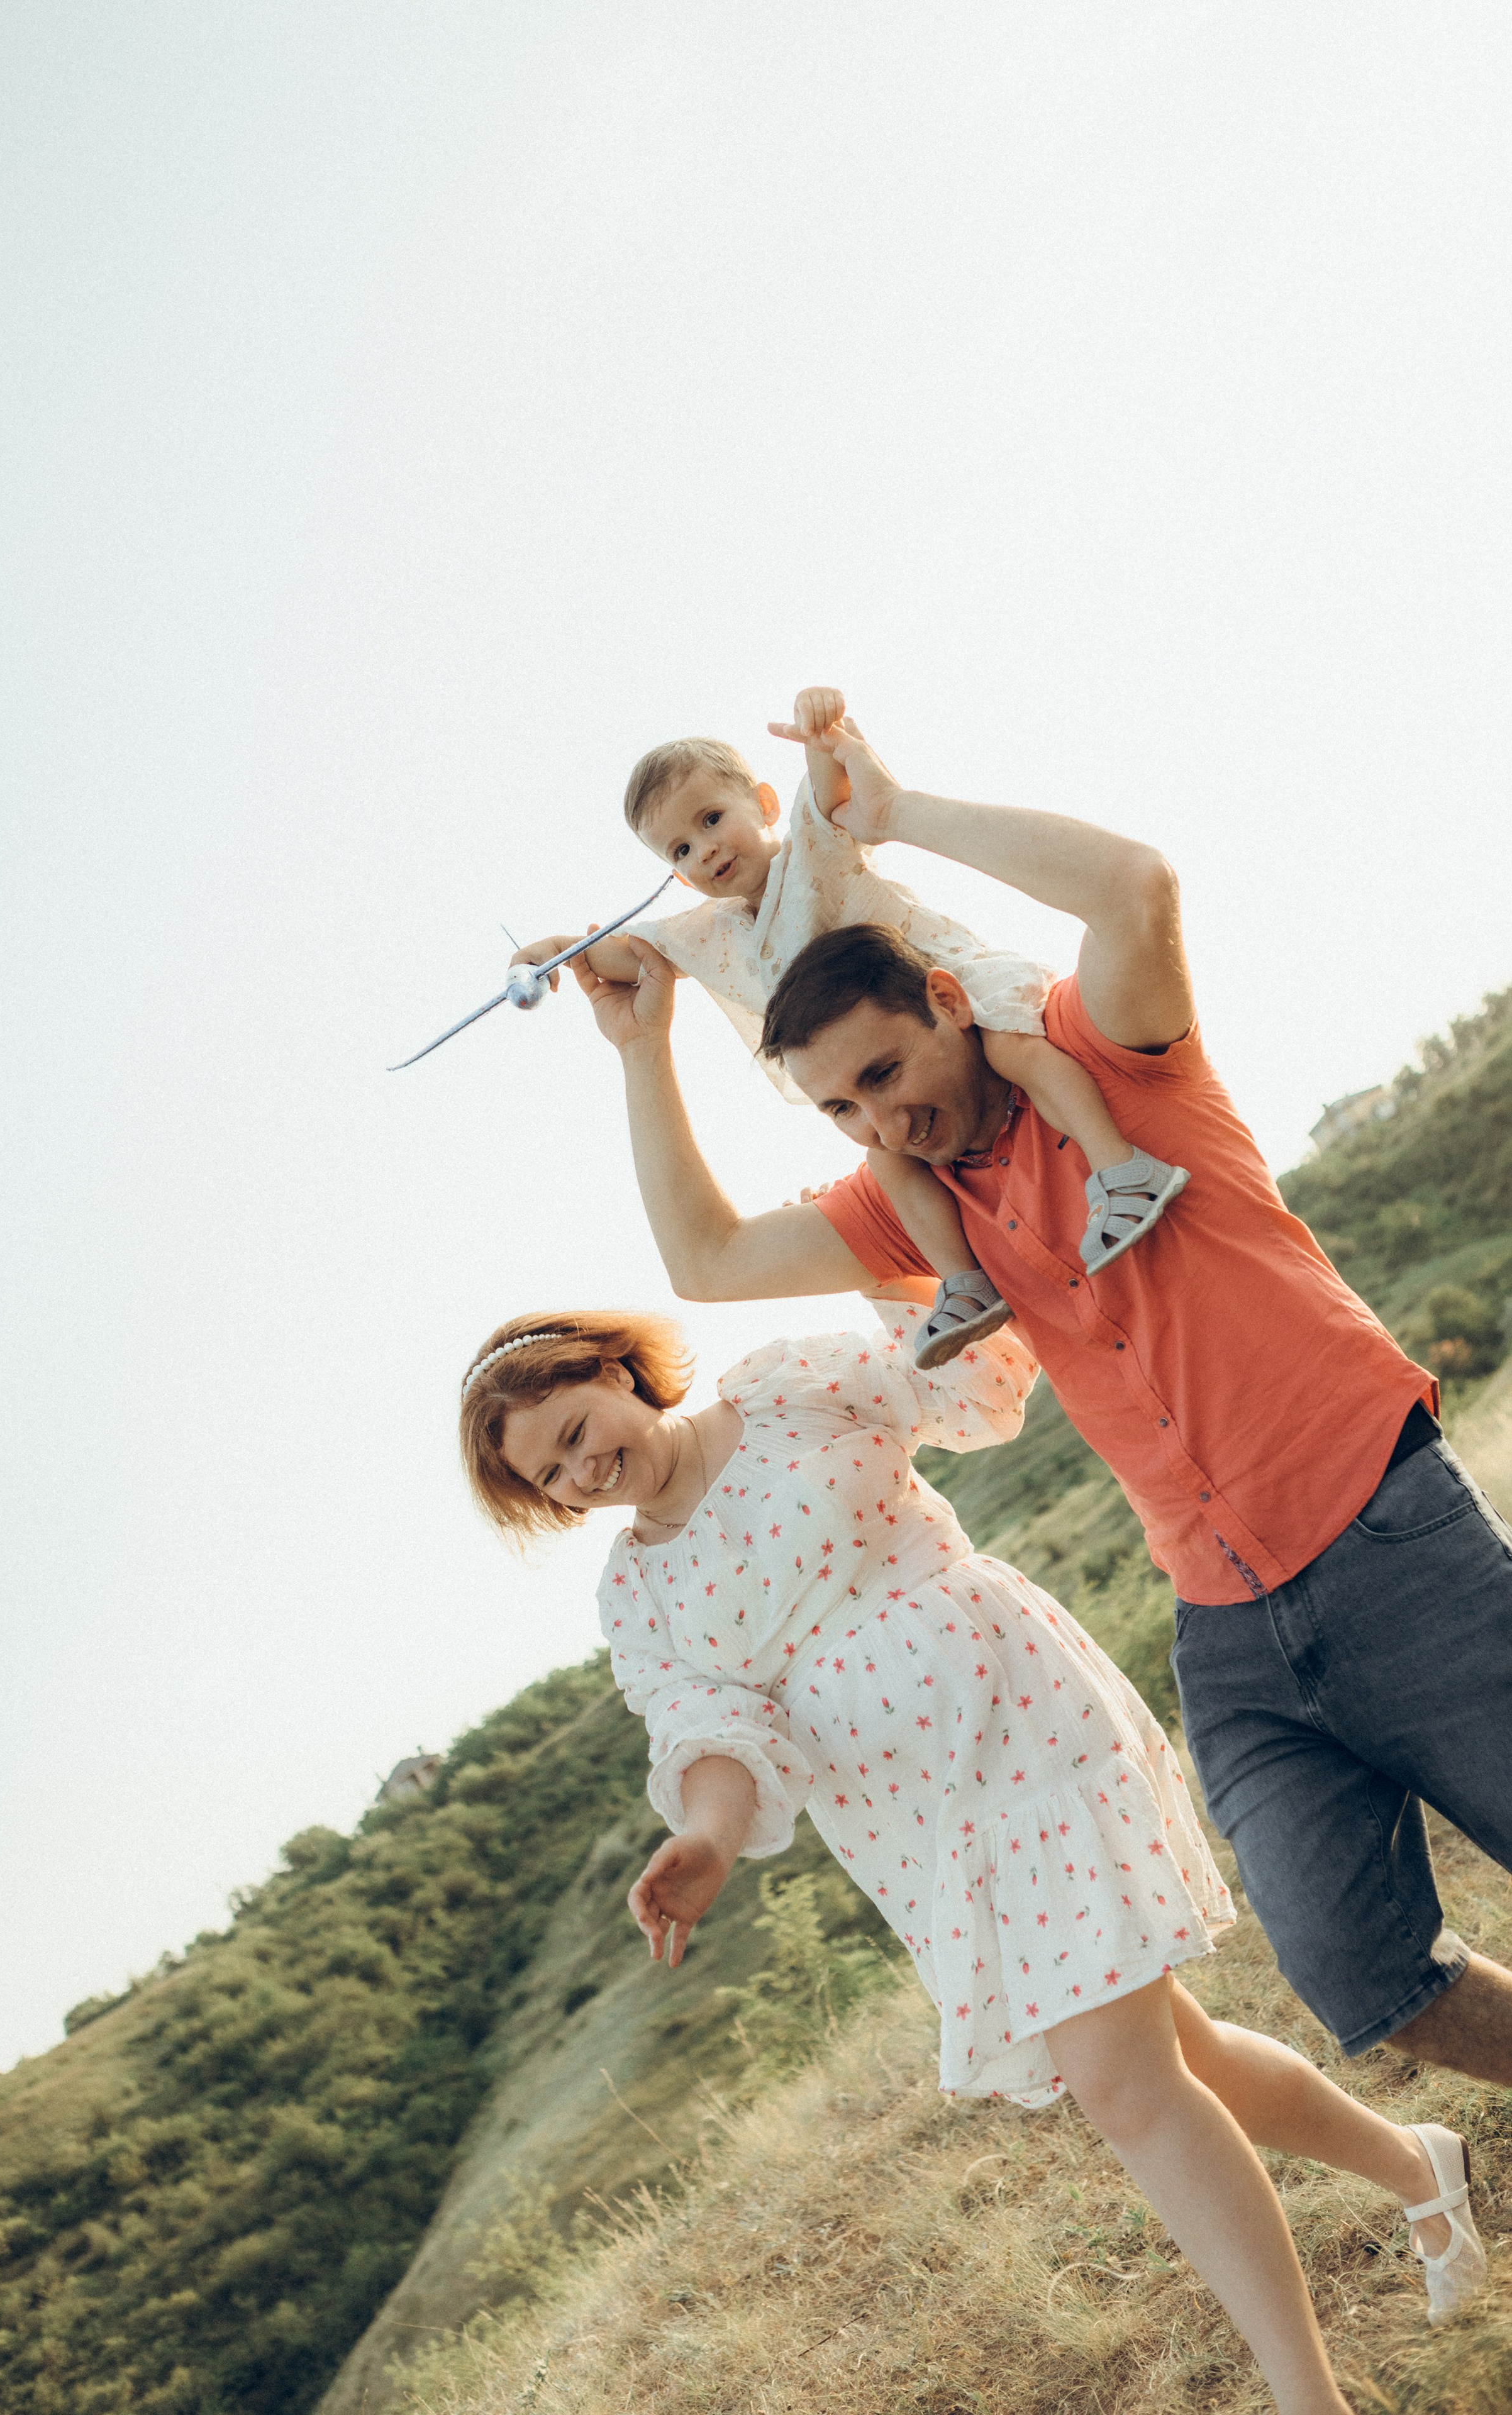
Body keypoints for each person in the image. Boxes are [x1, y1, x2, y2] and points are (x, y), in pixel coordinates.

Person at [566, 713, 1512, 2109]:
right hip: (1228, 1629)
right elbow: (704, 1263)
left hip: (1382, 1530)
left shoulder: (1113, 1068)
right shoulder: (917, 1202)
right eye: (838, 1109)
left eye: (883, 1076)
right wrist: (639, 1046)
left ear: (950, 1003)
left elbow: (1134, 887)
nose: (877, 1124)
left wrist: (888, 808)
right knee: (1358, 1978)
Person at [457, 1306, 1485, 2412]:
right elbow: (708, 1727)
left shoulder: (786, 1388)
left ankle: (1308, 2401)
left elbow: (962, 1389)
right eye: (551, 1474)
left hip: (1016, 1722)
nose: (581, 1466)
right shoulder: (636, 1592)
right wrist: (706, 1839)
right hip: (909, 1830)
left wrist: (911, 1277)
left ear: (616, 1371)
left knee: (1124, 2087)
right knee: (1181, 2054)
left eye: (572, 1427)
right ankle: (1417, 2166)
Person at [509, 687, 1187, 1367]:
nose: (706, 850)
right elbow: (631, 954)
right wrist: (556, 954)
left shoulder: (810, 853)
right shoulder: (712, 933)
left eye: (713, 819)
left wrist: (817, 729)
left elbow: (833, 789)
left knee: (1017, 1049)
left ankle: (1120, 1167)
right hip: (880, 1039)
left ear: (765, 805)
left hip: (948, 987)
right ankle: (964, 1281)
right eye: (681, 849)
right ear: (676, 876)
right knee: (885, 1151)